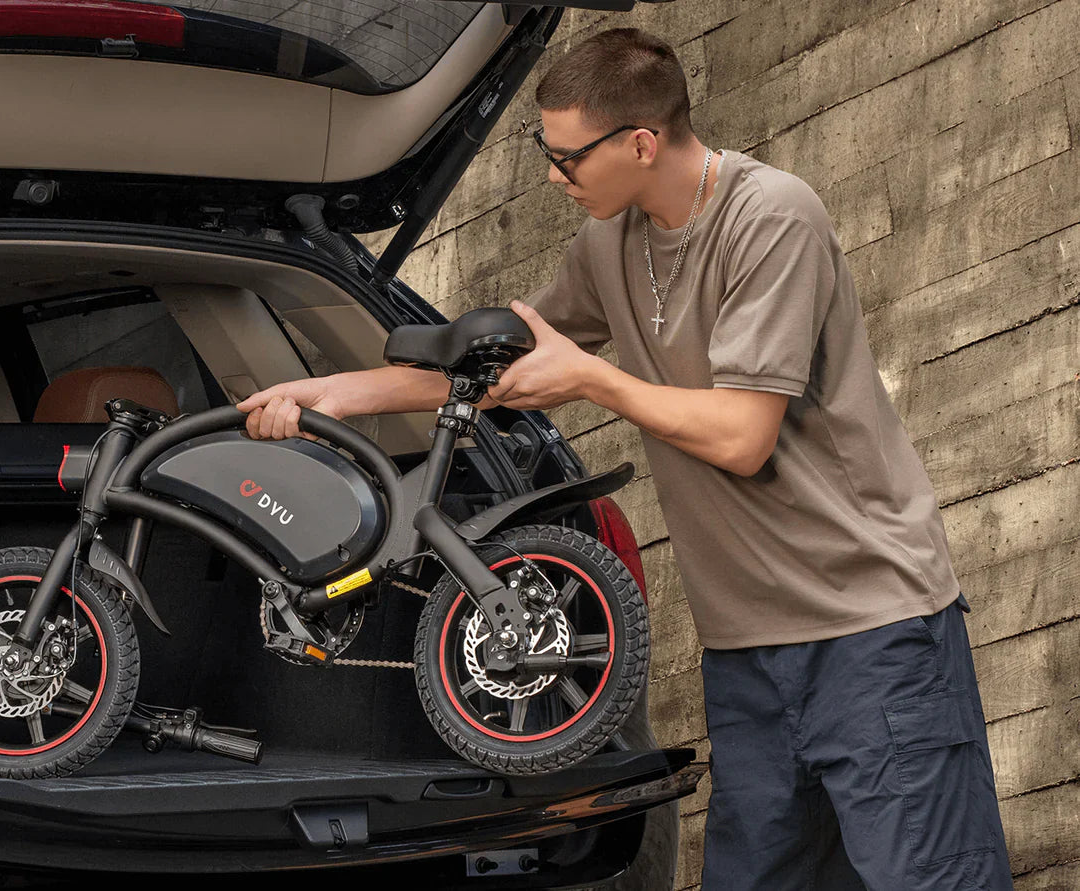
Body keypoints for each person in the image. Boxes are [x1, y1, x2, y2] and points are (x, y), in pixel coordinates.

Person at [238, 27, 1011, 890]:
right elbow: (492, 364)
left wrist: (596, 378)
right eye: (546, 150)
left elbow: (742, 436)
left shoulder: (771, 217)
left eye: (567, 158)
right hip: (748, 650)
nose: (555, 174)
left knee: (934, 878)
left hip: (872, 631)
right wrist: (335, 394)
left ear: (641, 142)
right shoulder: (611, 246)